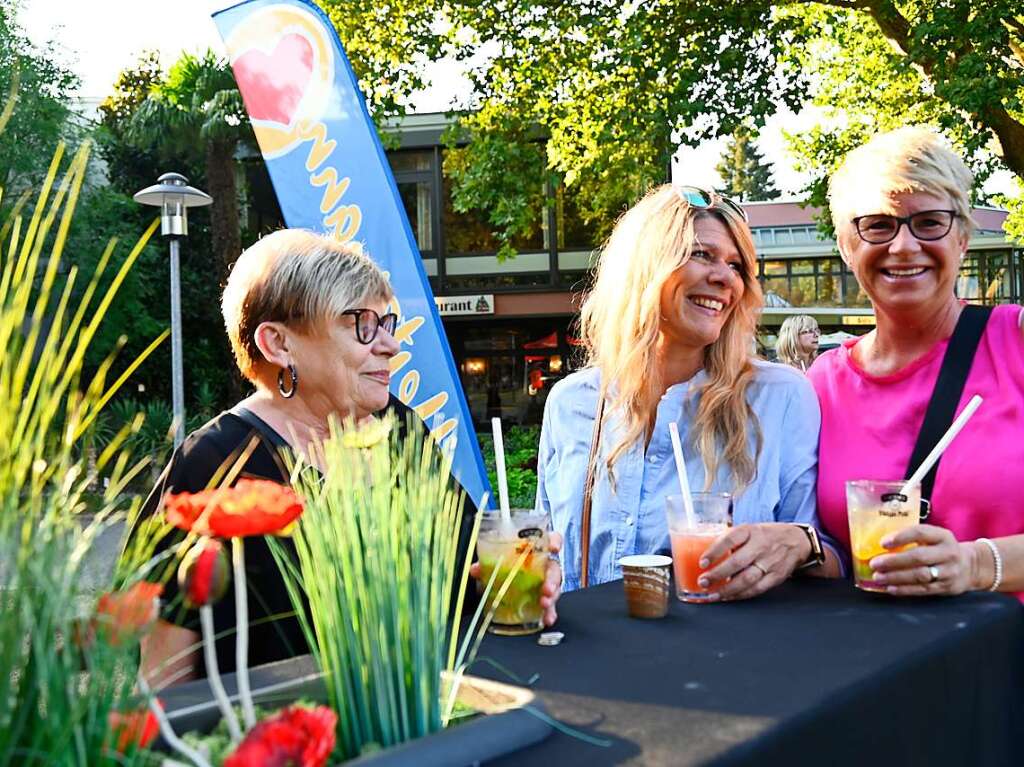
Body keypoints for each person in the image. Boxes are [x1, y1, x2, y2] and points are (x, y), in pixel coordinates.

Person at [139, 229, 562, 685]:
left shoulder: (400, 429)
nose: (390, 345)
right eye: (360, 323)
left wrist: (515, 573)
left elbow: (466, 570)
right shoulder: (214, 464)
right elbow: (163, 678)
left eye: (386, 324)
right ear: (277, 344)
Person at [536, 185, 842, 599]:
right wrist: (536, 569)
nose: (724, 278)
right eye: (701, 254)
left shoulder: (780, 397)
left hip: (725, 657)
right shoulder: (570, 402)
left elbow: (820, 555)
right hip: (588, 656)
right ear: (644, 267)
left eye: (737, 266)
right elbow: (547, 548)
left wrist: (801, 544)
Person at [808, 126, 1024, 598]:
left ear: (962, 239)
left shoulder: (1016, 341)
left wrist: (975, 563)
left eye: (929, 223)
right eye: (878, 225)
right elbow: (833, 552)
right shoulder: (820, 386)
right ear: (847, 247)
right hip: (894, 661)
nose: (903, 247)